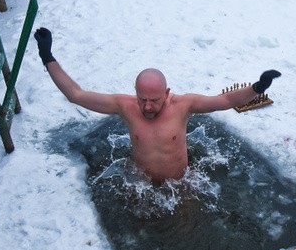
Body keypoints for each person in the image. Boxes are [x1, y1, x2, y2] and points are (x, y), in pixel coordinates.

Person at [33, 27, 281, 184]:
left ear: (167, 93)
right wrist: (47, 56)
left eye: (154, 101)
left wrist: (258, 88)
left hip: (181, 184)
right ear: (135, 94)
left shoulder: (184, 105)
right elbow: (76, 94)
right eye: (143, 100)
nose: (148, 107)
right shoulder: (125, 106)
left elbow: (225, 101)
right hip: (140, 184)